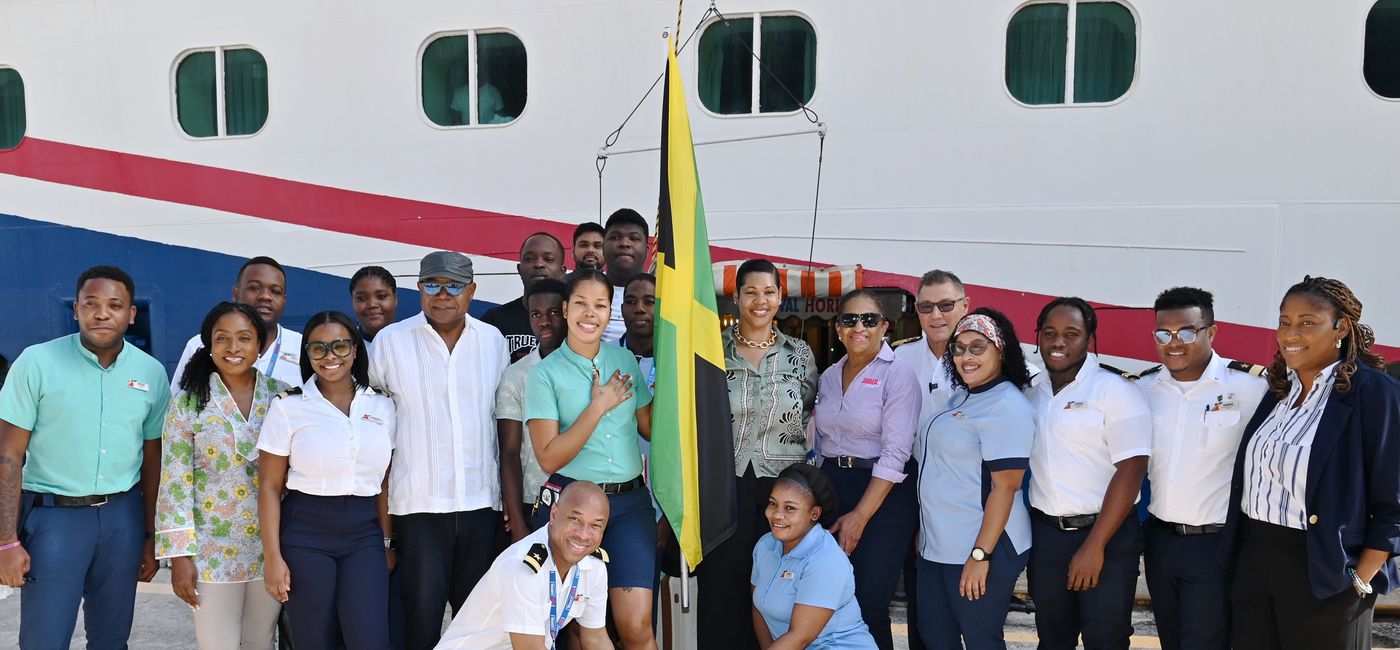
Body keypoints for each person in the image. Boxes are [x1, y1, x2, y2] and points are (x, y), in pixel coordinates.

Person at [1222, 276, 1400, 650]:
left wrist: (1360, 579)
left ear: (1341, 327)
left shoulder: (1374, 394)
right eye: (1284, 322)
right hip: (1255, 561)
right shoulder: (1278, 391)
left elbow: (1393, 500)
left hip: (1325, 570)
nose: (1290, 333)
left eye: (1307, 322)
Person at [0, 265, 171, 648]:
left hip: (122, 518)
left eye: (115, 305)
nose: (102, 313)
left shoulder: (151, 373)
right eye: (91, 304)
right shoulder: (36, 363)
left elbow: (153, 459)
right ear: (76, 309)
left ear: (131, 314)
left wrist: (149, 536)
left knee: (112, 639)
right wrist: (6, 541)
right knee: (44, 640)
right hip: (53, 520)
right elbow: (7, 455)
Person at [369, 251, 511, 650]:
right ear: (418, 289)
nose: (443, 295)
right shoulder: (390, 343)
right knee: (421, 625)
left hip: (480, 507)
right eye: (432, 284)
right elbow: (375, 431)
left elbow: (502, 423)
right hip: (418, 510)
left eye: (454, 286)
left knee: (479, 629)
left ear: (472, 291)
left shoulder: (492, 342)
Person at [526, 269, 657, 650]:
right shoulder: (545, 375)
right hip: (574, 508)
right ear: (566, 309)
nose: (590, 313)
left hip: (630, 506)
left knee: (636, 626)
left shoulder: (624, 360)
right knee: (582, 630)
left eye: (600, 305)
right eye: (581, 303)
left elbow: (649, 428)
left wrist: (678, 379)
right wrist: (598, 405)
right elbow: (549, 457)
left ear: (609, 312)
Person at [1133, 287, 1266, 650]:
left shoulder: (1251, 387)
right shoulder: (1143, 389)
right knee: (1171, 640)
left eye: (1187, 332)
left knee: (1207, 641)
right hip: (1160, 541)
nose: (1173, 343)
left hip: (1216, 544)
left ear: (1212, 331)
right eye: (1163, 333)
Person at [258, 311, 396, 650]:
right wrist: (273, 558)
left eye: (339, 346)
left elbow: (384, 483)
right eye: (318, 349)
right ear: (307, 354)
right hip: (306, 533)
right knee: (313, 640)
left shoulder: (381, 405)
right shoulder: (288, 408)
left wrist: (387, 542)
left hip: (364, 534)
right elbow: (270, 487)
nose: (330, 357)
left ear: (355, 350)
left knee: (370, 638)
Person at [156, 302, 289, 649]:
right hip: (211, 551)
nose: (233, 348)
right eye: (223, 339)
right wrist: (180, 557)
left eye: (244, 338)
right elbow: (174, 482)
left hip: (271, 548)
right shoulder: (188, 403)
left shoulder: (283, 396)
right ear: (209, 346)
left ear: (260, 346)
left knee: (260, 642)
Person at [699, 258, 817, 650]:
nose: (760, 300)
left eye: (768, 292)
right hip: (724, 486)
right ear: (735, 297)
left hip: (782, 491)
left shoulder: (800, 354)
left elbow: (807, 407)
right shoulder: (712, 352)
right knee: (722, 588)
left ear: (780, 297)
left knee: (776, 593)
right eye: (750, 292)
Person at [1025, 297, 1151, 650]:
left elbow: (1132, 468)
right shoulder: (1031, 390)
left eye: (1071, 333)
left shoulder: (1116, 390)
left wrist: (1094, 546)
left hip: (1106, 536)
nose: (1058, 342)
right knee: (1052, 639)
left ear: (1089, 339)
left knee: (1105, 639)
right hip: (1048, 536)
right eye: (1049, 332)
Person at [916, 309, 1035, 650]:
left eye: (977, 347)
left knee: (982, 640)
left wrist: (980, 556)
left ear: (1001, 350)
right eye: (959, 348)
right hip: (938, 548)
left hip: (980, 548)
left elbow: (1005, 487)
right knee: (936, 637)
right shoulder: (962, 396)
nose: (966, 357)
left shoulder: (1007, 405)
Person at [811, 289, 920, 650]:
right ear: (839, 328)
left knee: (869, 601)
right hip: (832, 487)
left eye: (869, 319)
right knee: (832, 598)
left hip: (883, 493)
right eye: (849, 319)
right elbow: (818, 442)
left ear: (884, 327)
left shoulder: (899, 375)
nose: (859, 326)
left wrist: (859, 515)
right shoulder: (828, 376)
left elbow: (896, 452)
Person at [435, 481, 614, 650]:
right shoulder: (522, 567)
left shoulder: (594, 566)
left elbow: (596, 638)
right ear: (554, 514)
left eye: (595, 526)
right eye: (575, 519)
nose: (583, 535)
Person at [751, 463, 877, 649]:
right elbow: (758, 608)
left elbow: (800, 637)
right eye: (772, 504)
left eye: (790, 508)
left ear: (815, 513)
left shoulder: (825, 559)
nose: (777, 515)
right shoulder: (765, 545)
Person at [496, 278, 568, 542]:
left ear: (568, 312)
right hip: (534, 500)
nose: (544, 322)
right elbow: (510, 452)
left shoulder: (591, 368)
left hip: (583, 497)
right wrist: (516, 521)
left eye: (553, 313)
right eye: (536, 314)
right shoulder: (516, 375)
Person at [172, 256, 303, 389]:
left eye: (275, 291)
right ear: (235, 293)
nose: (265, 296)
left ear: (283, 300)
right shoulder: (199, 345)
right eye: (254, 288)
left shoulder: (302, 347)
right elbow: (177, 401)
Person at [483, 233, 568, 363]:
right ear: (519, 269)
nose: (539, 264)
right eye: (529, 259)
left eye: (548, 259)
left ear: (562, 271)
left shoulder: (573, 321)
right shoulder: (495, 320)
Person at [601, 209, 649, 344]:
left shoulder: (661, 294)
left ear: (646, 250)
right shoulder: (584, 290)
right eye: (615, 237)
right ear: (603, 247)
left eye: (634, 238)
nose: (624, 243)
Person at [350, 265, 400, 343]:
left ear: (395, 299)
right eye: (362, 298)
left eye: (381, 296)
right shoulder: (345, 348)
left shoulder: (412, 341)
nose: (372, 305)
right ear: (352, 301)